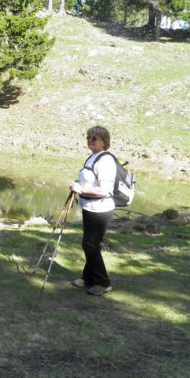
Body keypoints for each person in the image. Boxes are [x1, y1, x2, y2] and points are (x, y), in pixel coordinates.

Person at [69, 126, 117, 296]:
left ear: (104, 142)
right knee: (90, 244)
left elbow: (104, 190)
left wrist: (80, 190)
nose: (90, 140)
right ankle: (88, 278)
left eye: (94, 138)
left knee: (90, 244)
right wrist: (79, 185)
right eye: (88, 137)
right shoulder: (93, 157)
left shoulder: (105, 161)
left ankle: (103, 282)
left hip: (100, 209)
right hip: (90, 207)